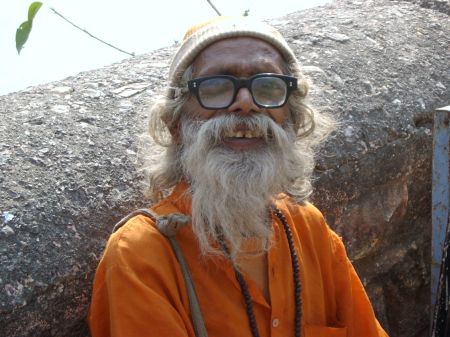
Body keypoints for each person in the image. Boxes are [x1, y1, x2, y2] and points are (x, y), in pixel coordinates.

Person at [88, 17, 389, 337]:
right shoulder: (141, 255)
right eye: (216, 87)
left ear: (293, 118)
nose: (245, 103)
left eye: (268, 87)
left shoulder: (307, 227)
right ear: (176, 124)